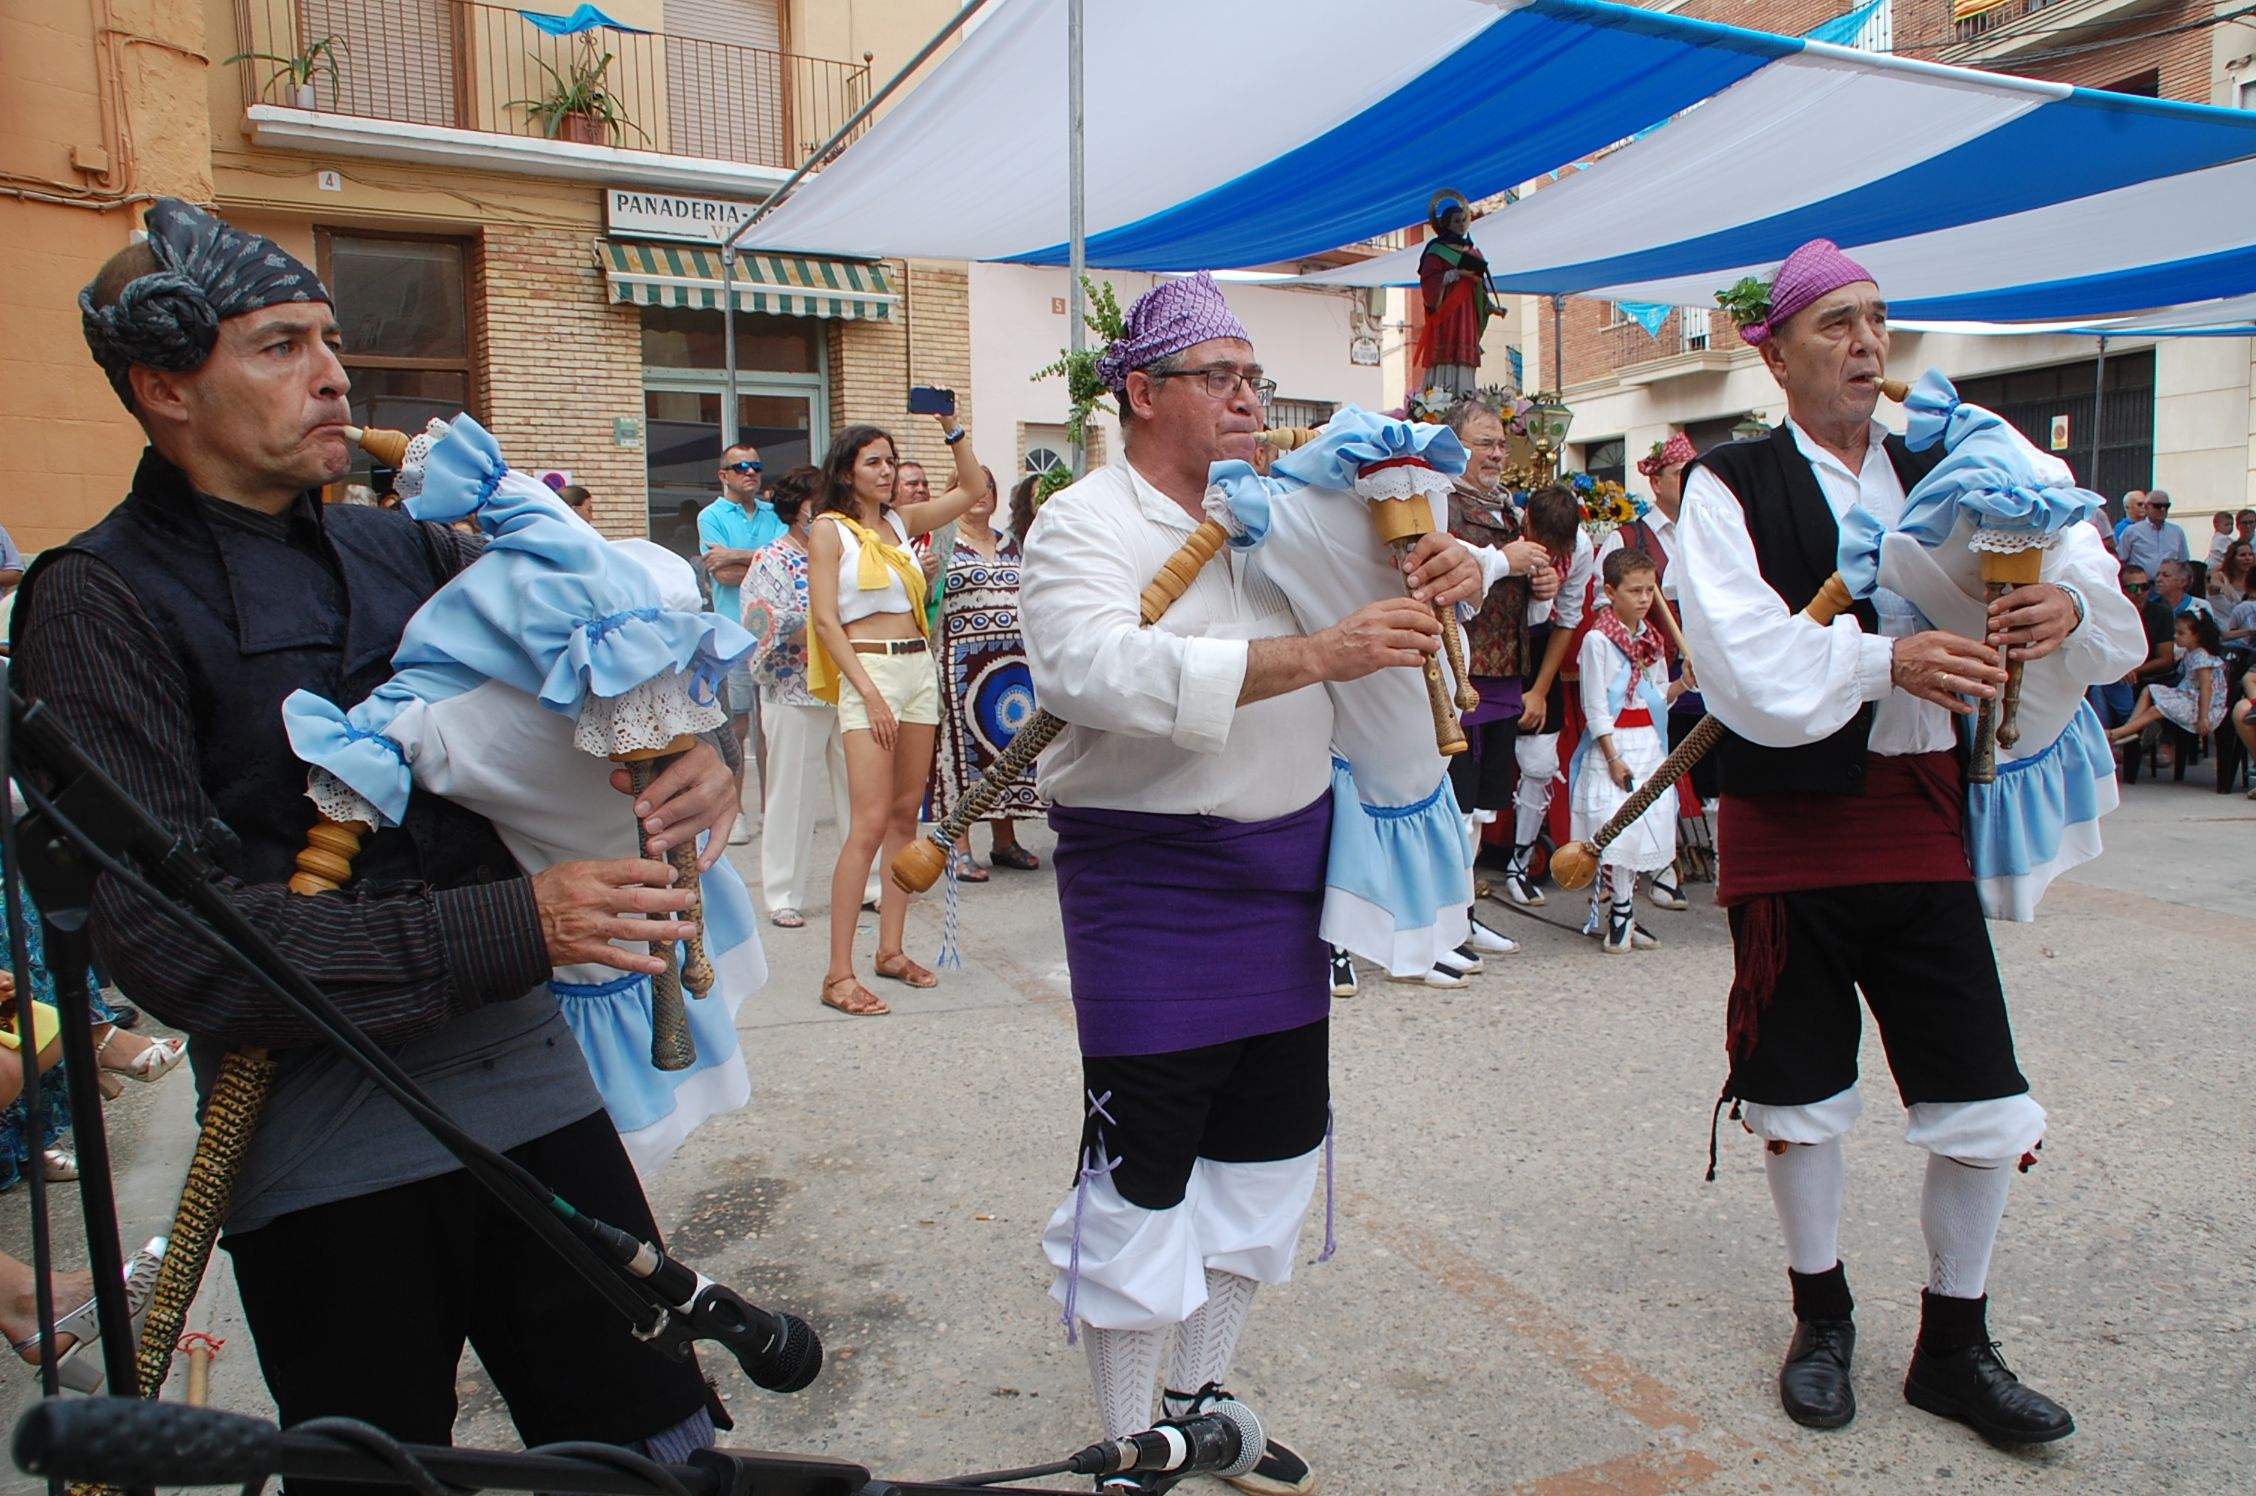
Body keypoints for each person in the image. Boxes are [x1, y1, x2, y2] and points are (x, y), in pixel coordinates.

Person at [20, 198, 735, 1467]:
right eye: (280, 346)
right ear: (164, 388)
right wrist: (517, 921)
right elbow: (173, 945)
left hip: (526, 1073)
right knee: (377, 1463)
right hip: (315, 1127)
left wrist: (696, 752)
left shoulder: (410, 545)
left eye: (332, 341)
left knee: (651, 1442)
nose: (334, 375)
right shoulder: (97, 600)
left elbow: (601, 676)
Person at [1021, 272, 1481, 1495]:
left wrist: (1454, 566)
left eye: (1252, 378)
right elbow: (1088, 668)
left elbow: (1411, 584)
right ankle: (1130, 1441)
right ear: (1141, 392)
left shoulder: (1282, 513)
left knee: (1268, 1151)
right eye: (1218, 377)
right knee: (1142, 1171)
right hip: (1151, 884)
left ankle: (1199, 1398)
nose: (1247, 398)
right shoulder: (1083, 520)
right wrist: (1314, 653)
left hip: (1287, 869)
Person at [1677, 238, 2129, 1445]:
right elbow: (1738, 657)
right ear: (1776, 355)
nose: (1868, 342)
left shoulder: (1960, 451)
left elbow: (2087, 557)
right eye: (1836, 323)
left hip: (1921, 811)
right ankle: (1820, 1317)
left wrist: (2068, 599)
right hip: (1785, 819)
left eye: (1877, 319)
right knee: (1797, 1089)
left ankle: (1954, 1344)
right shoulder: (1726, 483)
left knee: (1982, 1096)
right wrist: (1888, 658)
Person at [807, 414, 986, 1016]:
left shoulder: (900, 522)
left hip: (917, 668)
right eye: (873, 463)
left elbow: (971, 490)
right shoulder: (830, 531)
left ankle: (891, 950)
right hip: (871, 671)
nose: (886, 472)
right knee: (867, 823)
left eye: (890, 460)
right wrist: (868, 693)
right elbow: (826, 621)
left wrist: (953, 429)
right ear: (846, 472)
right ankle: (837, 974)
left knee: (906, 817)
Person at [1433, 396, 1558, 993]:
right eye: (1485, 442)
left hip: (1503, 672)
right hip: (1460, 674)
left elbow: (1519, 602)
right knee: (1452, 806)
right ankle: (1441, 925)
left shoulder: (1508, 508)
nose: (1497, 454)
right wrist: (1506, 560)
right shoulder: (1441, 502)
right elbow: (1445, 578)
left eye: (1501, 444)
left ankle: (1464, 914)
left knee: (1482, 804)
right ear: (1454, 446)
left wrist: (1541, 588)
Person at [741, 467, 878, 928]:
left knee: (860, 790)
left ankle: (870, 884)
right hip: (794, 688)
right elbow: (763, 621)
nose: (822, 510)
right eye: (814, 502)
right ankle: (782, 894)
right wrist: (830, 628)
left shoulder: (847, 550)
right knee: (792, 796)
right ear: (794, 508)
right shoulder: (772, 558)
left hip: (851, 685)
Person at [1598, 429, 1706, 904]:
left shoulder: (1708, 526)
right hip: (1651, 668)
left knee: (1706, 759)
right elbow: (1602, 607)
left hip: (1704, 663)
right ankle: (1657, 865)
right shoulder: (1627, 538)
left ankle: (1695, 854)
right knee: (1655, 763)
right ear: (1656, 482)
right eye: (1681, 474)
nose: (1690, 481)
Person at [930, 465, 1043, 879]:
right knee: (960, 755)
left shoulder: (1012, 543)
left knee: (1007, 751)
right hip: (960, 664)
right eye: (969, 487)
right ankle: (958, 846)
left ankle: (1004, 840)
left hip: (1012, 666)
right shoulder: (940, 541)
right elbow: (924, 599)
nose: (980, 494)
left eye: (988, 487)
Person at [1570, 549, 1684, 953]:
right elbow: (1595, 705)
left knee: (1643, 826)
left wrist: (1685, 683)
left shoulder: (1651, 639)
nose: (1644, 599)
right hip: (1614, 744)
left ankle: (1626, 911)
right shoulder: (1597, 641)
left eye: (1649, 590)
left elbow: (1658, 697)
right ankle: (1620, 911)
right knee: (1616, 825)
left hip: (1647, 742)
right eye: (1635, 591)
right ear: (1610, 591)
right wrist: (1612, 757)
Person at [1496, 485, 1595, 911]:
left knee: (1538, 762)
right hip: (1492, 644)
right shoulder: (1500, 529)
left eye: (1560, 549)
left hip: (1538, 645)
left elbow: (1567, 620)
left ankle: (1520, 864)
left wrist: (1539, 689)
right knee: (1476, 756)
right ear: (1527, 522)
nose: (1552, 554)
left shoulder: (1582, 548)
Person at [700, 444, 784, 844]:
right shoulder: (711, 516)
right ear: (724, 475)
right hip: (733, 636)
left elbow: (785, 564)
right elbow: (725, 577)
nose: (751, 472)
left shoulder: (775, 513)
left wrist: (735, 555)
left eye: (757, 465)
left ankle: (772, 810)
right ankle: (735, 812)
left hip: (773, 635)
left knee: (770, 725)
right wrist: (763, 562)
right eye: (741, 467)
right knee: (736, 726)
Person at [1412, 192, 1493, 396]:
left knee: (1464, 352)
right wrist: (1457, 273)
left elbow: (1480, 287)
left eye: (1464, 220)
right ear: (1446, 223)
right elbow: (1429, 280)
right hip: (1448, 312)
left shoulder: (1472, 251)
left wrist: (1490, 306)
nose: (1461, 225)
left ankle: (1465, 395)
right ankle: (1440, 397)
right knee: (1446, 351)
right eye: (1456, 221)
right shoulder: (1436, 250)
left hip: (1468, 313)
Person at [2108, 609, 2227, 748]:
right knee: (2148, 690)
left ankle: (2117, 733)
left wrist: (2203, 717)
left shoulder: (2201, 657)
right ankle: (2130, 727)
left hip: (2200, 706)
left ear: (2197, 636)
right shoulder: (2190, 652)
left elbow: (2206, 688)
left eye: (2181, 633)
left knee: (2156, 710)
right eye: (2175, 632)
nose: (2175, 636)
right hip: (2187, 695)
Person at [2117, 489, 2187, 578]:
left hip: (2169, 584)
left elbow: (2183, 562)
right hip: (2142, 584)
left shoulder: (2177, 532)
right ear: (2146, 507)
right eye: (2157, 506)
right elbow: (2121, 559)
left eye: (2166, 506)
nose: (2162, 509)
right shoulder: (2132, 531)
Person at [2206, 538, 2252, 610]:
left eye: (2250, 554)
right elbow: (2211, 581)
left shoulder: (2252, 579)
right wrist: (2223, 587)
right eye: (2242, 555)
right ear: (2232, 558)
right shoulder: (2221, 577)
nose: (2248, 558)